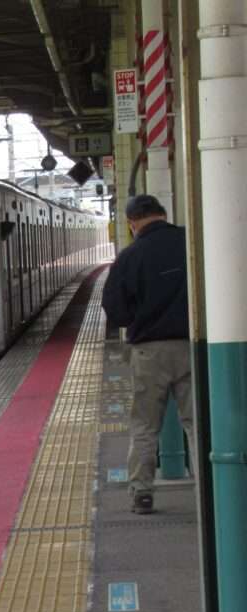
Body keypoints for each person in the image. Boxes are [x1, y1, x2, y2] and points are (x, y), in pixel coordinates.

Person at [102, 194, 194, 514]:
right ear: (163, 214)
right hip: (192, 346)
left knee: (144, 425)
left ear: (131, 222)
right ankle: (211, 491)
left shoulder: (129, 257)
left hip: (148, 351)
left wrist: (137, 318)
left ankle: (142, 492)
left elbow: (114, 309)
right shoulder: (190, 241)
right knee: (196, 423)